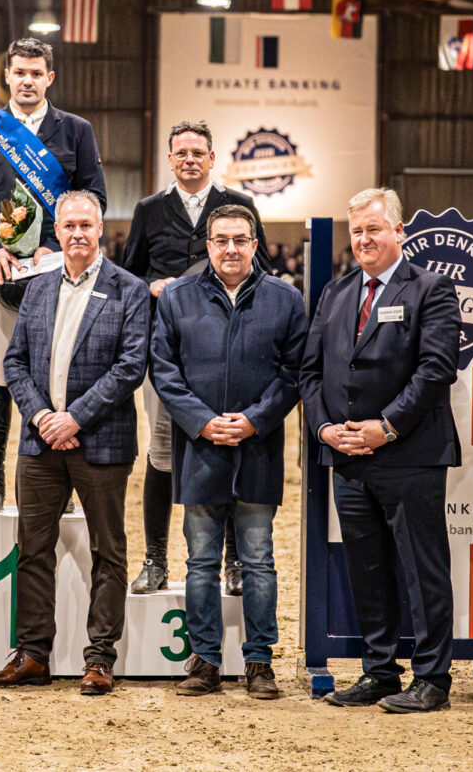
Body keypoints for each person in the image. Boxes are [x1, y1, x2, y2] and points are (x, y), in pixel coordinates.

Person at [0, 191, 149, 695]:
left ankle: (99, 659)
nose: (77, 233)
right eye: (68, 225)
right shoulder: (39, 286)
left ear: (101, 229)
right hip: (39, 443)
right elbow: (14, 362)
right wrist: (42, 416)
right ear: (57, 229)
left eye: (86, 225)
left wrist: (74, 418)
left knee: (108, 551)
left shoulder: (129, 290)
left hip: (99, 442)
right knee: (32, 550)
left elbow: (129, 368)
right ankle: (33, 655)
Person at [299, 188, 461, 714]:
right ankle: (380, 672)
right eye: (357, 232)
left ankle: (433, 679)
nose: (364, 240)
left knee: (423, 569)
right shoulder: (337, 292)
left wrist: (386, 427)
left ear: (398, 232)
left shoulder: (431, 290)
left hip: (409, 455)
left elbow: (436, 370)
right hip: (346, 458)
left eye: (374, 229)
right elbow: (310, 372)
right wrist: (325, 431)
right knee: (366, 570)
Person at [152, 204, 307, 699]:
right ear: (209, 244)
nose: (231, 249)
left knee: (259, 559)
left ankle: (260, 662)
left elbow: (294, 372)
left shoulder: (286, 299)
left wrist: (255, 421)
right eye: (221, 240)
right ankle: (204, 661)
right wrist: (202, 422)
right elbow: (163, 369)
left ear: (256, 244)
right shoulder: (176, 297)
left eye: (241, 240)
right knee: (200, 561)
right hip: (200, 449)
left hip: (257, 448)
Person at [0, 37, 107, 513]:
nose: (28, 81)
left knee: (60, 376)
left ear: (49, 78)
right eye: (20, 73)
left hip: (56, 274)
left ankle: (63, 479)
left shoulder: (76, 130)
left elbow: (93, 199)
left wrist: (54, 249)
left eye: (37, 73)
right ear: (8, 76)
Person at [122, 120, 270, 595]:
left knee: (227, 444)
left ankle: (235, 564)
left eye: (197, 152)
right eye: (180, 152)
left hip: (227, 348)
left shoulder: (240, 207)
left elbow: (261, 268)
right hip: (166, 351)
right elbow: (128, 278)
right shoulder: (148, 210)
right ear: (170, 159)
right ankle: (155, 559)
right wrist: (151, 287)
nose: (188, 159)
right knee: (162, 453)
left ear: (212, 158)